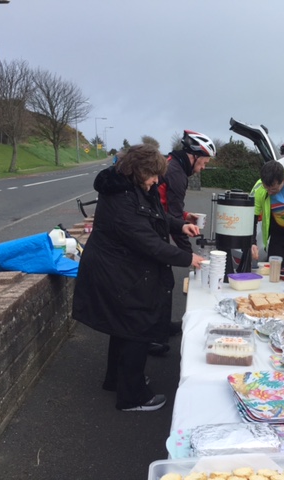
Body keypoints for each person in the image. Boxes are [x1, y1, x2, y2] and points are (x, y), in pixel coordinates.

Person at [72, 144, 202, 411]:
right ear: (138, 170)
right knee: (136, 324)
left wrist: (179, 224)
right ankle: (132, 396)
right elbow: (145, 241)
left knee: (123, 325)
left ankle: (116, 380)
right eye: (153, 176)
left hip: (120, 266)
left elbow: (155, 216)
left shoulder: (133, 187)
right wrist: (188, 259)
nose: (156, 181)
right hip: (114, 269)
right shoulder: (120, 197)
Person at [154, 130, 215, 353]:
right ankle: (155, 339)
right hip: (152, 229)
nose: (203, 168)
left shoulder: (172, 164)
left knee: (163, 282)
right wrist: (190, 256)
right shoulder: (177, 174)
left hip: (158, 222)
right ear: (194, 156)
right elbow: (176, 222)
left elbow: (171, 209)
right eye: (204, 162)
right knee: (160, 283)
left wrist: (186, 215)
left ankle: (162, 327)